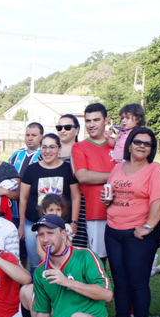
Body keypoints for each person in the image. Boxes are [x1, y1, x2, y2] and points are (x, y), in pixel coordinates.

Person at [103, 127, 160, 317]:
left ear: (151, 149)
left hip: (138, 234)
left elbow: (159, 200)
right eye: (137, 141)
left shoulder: (154, 169)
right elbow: (111, 194)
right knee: (120, 281)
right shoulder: (118, 167)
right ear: (129, 144)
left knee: (138, 282)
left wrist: (148, 227)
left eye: (147, 143)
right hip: (113, 230)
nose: (141, 146)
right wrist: (107, 201)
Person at [18, 134, 80, 271]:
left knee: (62, 263)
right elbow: (23, 198)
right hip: (33, 223)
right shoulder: (31, 169)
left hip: (61, 224)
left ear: (59, 149)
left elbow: (76, 197)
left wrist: (74, 223)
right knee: (35, 264)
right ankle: (37, 289)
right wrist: (22, 225)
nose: (47, 151)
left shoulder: (68, 169)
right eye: (44, 147)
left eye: (52, 147)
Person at [72, 103, 117, 260]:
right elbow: (83, 176)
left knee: (123, 260)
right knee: (99, 259)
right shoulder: (79, 147)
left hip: (123, 211)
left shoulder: (117, 145)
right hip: (96, 212)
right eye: (88, 120)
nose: (91, 124)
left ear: (106, 120)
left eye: (96, 120)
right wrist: (117, 176)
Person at [56, 114, 89, 248]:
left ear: (77, 129)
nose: (62, 130)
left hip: (78, 205)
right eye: (59, 127)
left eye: (67, 127)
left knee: (76, 246)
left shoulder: (83, 151)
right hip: (55, 205)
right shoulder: (50, 151)